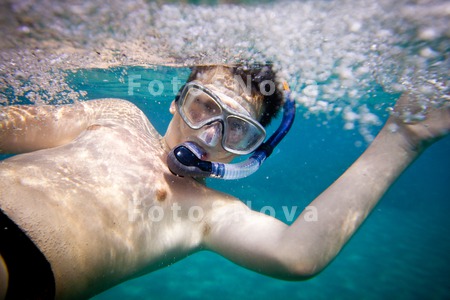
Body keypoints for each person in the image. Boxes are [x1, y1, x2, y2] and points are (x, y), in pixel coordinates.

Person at [0, 64, 449, 299]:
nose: (208, 136)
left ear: (248, 153)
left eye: (235, 131)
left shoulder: (207, 212)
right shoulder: (116, 114)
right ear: (178, 102)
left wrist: (403, 139)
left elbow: (297, 254)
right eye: (202, 109)